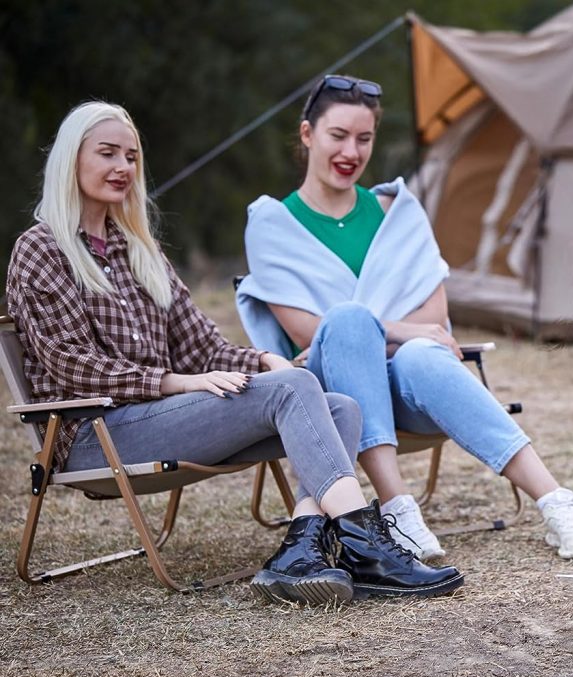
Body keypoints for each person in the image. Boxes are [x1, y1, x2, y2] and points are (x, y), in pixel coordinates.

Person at [6, 100, 464, 606]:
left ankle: (301, 548)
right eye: (107, 154)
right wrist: (176, 382)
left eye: (132, 157)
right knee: (292, 391)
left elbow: (202, 345)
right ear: (72, 160)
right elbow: (71, 365)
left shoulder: (139, 250)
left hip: (161, 418)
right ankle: (367, 551)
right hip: (99, 434)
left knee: (341, 406)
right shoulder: (41, 249)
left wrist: (263, 361)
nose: (123, 168)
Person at [236, 76, 573, 561]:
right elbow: (306, 333)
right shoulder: (274, 224)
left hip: (410, 389)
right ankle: (397, 507)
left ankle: (556, 501)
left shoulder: (397, 212)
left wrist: (395, 336)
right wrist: (391, 329)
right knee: (353, 322)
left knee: (419, 353)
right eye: (338, 136)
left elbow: (435, 318)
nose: (351, 151)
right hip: (333, 402)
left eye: (364, 138)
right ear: (309, 134)